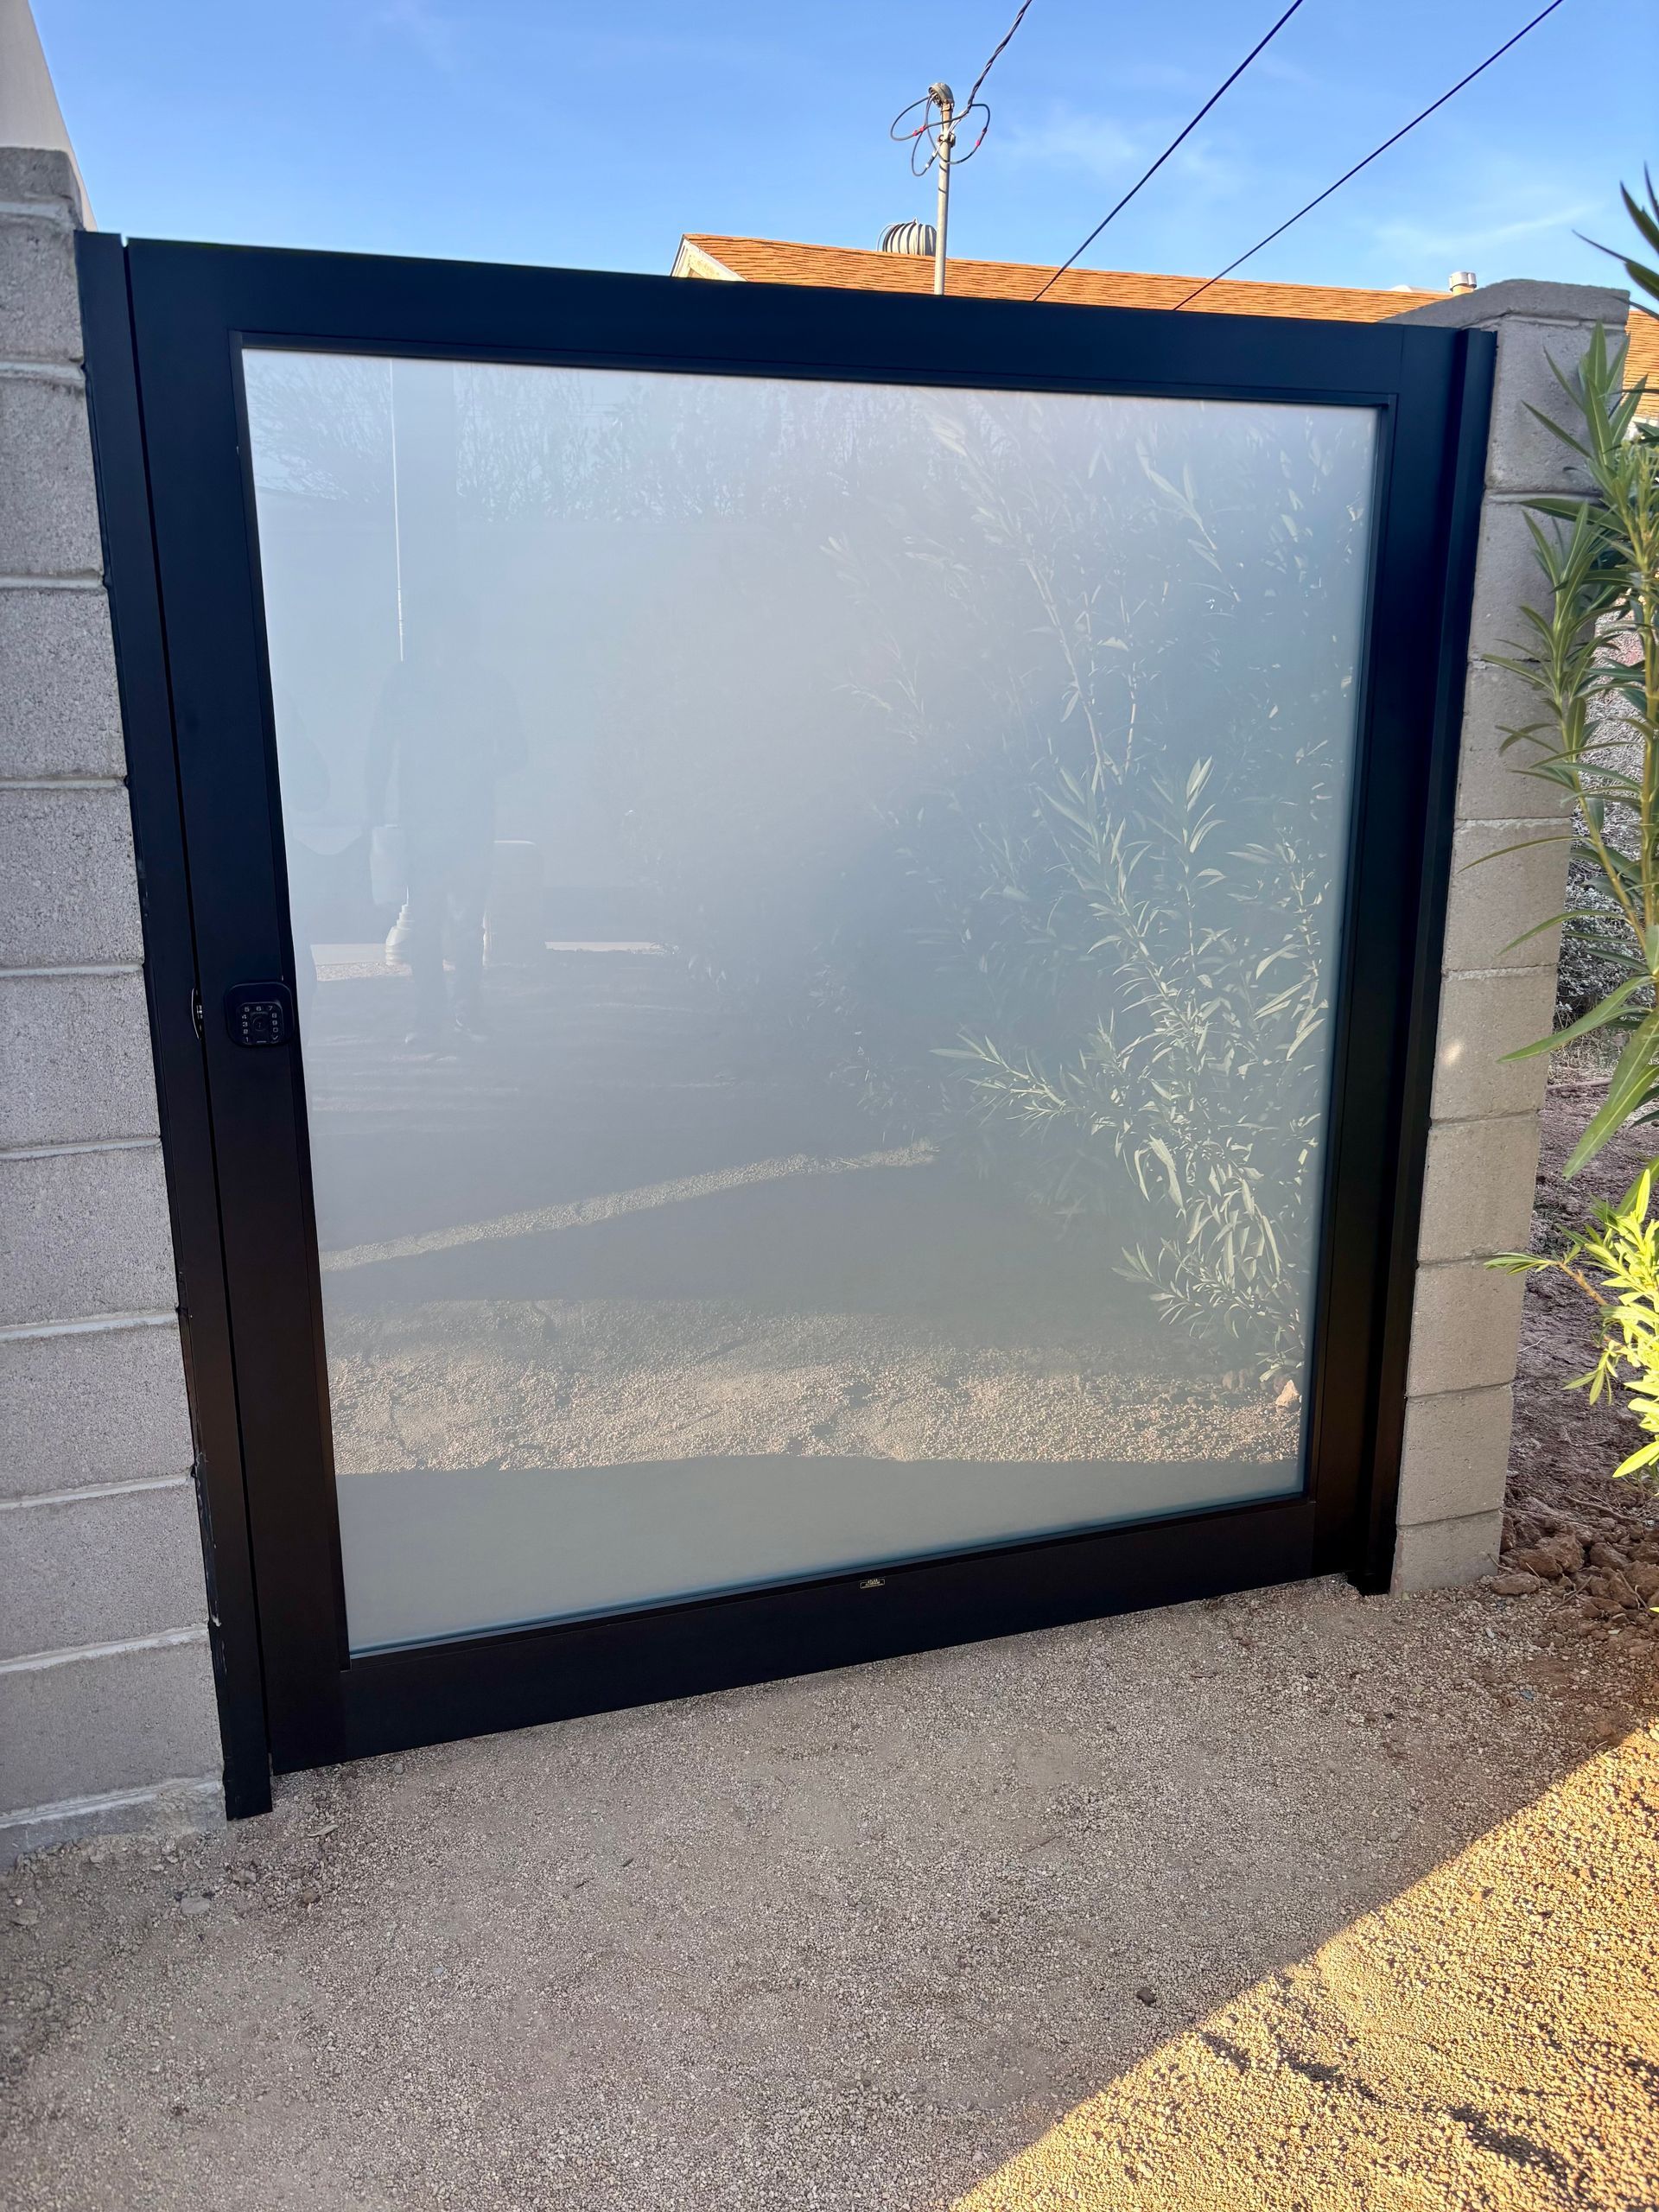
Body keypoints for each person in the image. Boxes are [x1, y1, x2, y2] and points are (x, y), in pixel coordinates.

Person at [364, 603, 526, 1049]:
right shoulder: (407, 684)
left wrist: (475, 769)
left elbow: (516, 750)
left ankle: (462, 1013)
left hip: (468, 821)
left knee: (465, 921)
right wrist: (375, 807)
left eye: (460, 635)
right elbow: (381, 746)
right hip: (425, 822)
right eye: (444, 633)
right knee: (430, 918)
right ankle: (433, 1016)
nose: (451, 643)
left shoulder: (485, 686)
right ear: (431, 636)